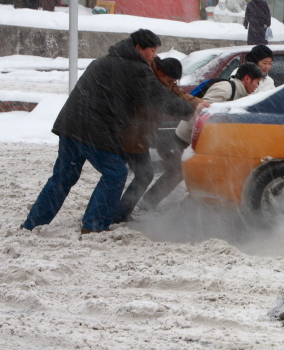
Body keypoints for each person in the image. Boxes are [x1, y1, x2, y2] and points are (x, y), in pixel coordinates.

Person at [21, 29, 199, 234]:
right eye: (151, 50)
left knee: (62, 178)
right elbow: (158, 96)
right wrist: (190, 113)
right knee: (115, 173)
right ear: (138, 48)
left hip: (71, 125)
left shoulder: (107, 61)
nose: (154, 55)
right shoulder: (134, 68)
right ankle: (93, 224)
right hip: (92, 129)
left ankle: (33, 223)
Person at [139, 62, 265, 211]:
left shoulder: (240, 93)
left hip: (204, 138)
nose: (257, 86)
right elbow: (204, 111)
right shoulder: (226, 89)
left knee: (186, 172)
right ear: (247, 79)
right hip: (190, 136)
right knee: (179, 171)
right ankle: (154, 202)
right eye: (257, 82)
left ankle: (174, 203)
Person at [116, 57, 206, 224]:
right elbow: (168, 102)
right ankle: (110, 213)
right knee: (118, 174)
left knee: (142, 174)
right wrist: (190, 113)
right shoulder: (149, 83)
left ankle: (121, 212)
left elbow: (181, 95)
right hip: (128, 133)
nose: (171, 84)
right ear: (160, 71)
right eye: (169, 80)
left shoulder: (167, 82)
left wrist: (202, 104)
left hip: (142, 134)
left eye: (174, 81)